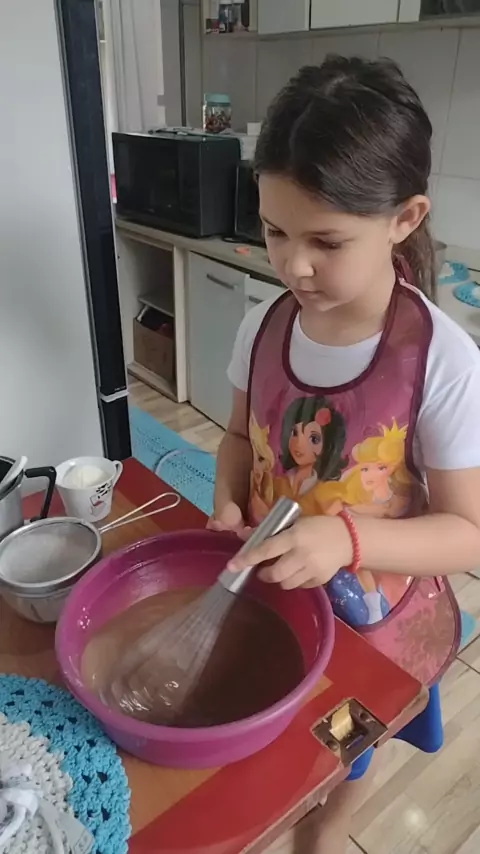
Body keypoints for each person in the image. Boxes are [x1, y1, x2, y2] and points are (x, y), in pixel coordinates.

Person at [208, 55, 480, 854]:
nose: (291, 264)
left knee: (331, 780)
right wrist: (228, 498)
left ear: (404, 218)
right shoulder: (264, 326)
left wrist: (347, 538)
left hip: (370, 635)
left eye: (326, 241)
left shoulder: (440, 360)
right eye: (274, 230)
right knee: (271, 761)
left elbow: (468, 532)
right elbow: (238, 438)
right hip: (273, 603)